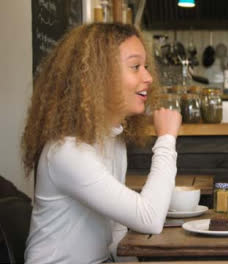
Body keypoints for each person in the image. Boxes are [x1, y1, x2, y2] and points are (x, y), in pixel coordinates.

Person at [21, 23, 182, 263]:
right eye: (135, 67)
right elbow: (150, 218)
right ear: (97, 75)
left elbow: (116, 232)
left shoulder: (112, 140)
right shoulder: (66, 150)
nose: (148, 77)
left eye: (146, 67)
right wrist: (166, 139)